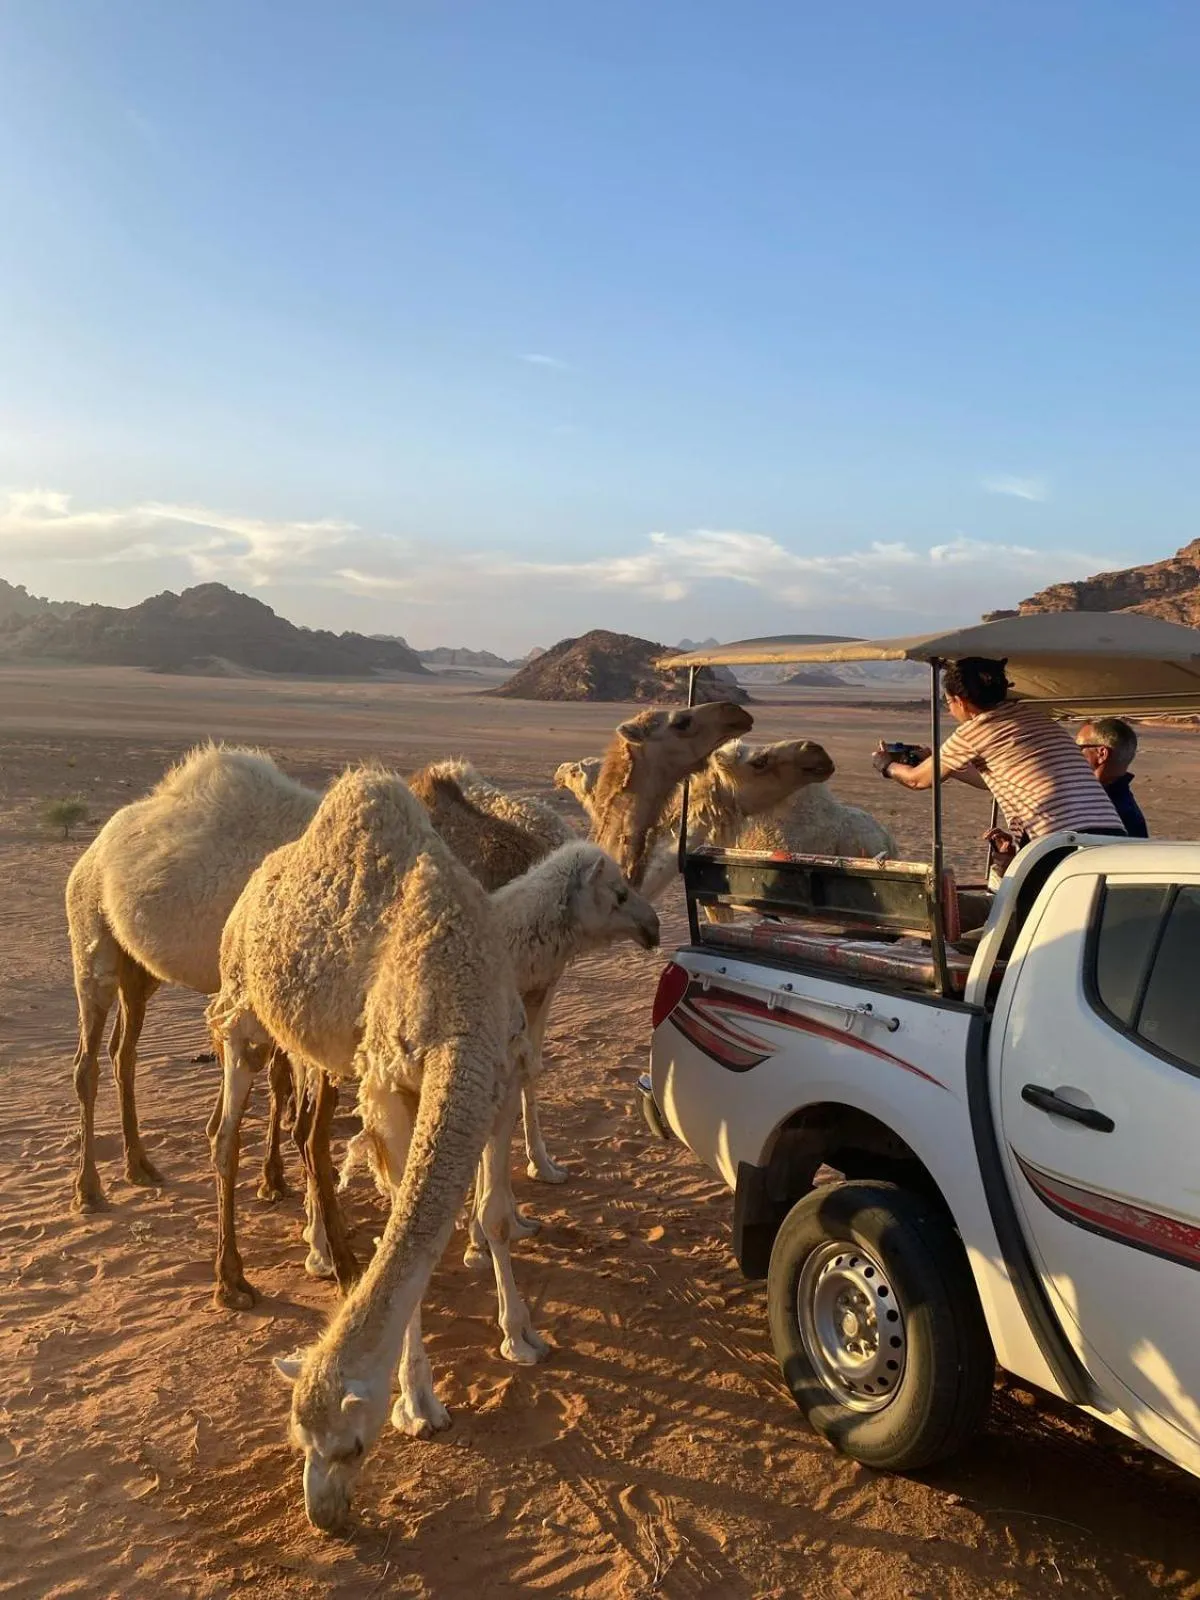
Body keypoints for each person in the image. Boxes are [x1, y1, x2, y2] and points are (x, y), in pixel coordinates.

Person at [873, 656, 1126, 851]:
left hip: (1059, 838)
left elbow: (918, 780)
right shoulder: (1037, 718)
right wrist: (945, 766)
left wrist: (886, 765)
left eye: (948, 702)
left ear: (960, 701)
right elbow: (996, 780)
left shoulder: (974, 731)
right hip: (1110, 835)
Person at [1076, 717, 1148, 838]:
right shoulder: (1125, 808)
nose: (1072, 753)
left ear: (1101, 754)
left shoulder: (1104, 813)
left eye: (1079, 748)